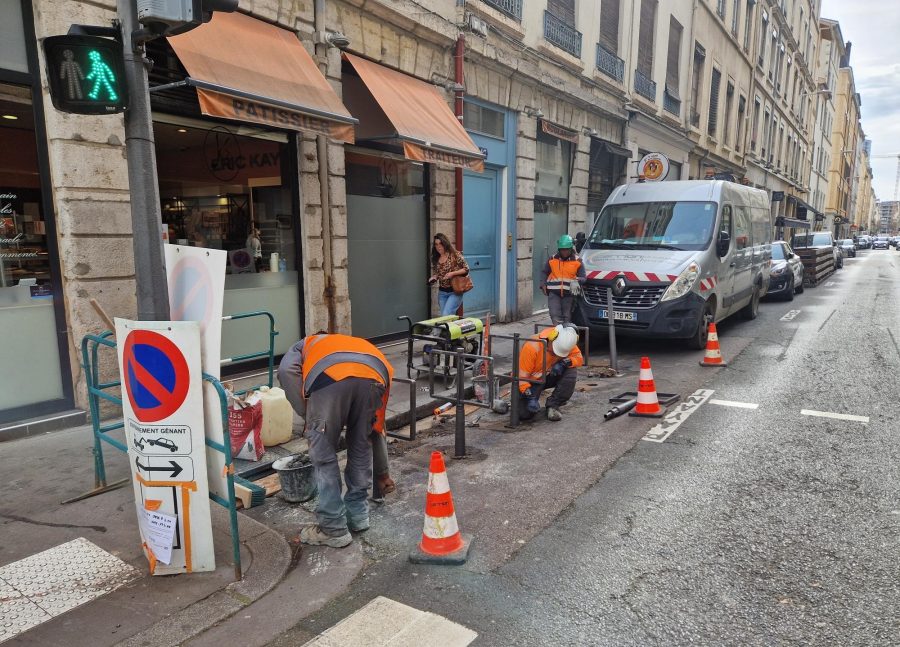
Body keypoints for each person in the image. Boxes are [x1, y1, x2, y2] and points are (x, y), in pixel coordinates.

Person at [277, 333, 394, 548]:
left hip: (328, 379)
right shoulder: (353, 342)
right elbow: (378, 429)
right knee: (362, 444)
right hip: (375, 376)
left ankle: (333, 529)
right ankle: (358, 516)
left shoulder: (305, 344)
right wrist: (382, 472)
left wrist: (308, 414)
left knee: (323, 455)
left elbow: (285, 371)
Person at [518, 325, 583, 422]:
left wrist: (564, 363)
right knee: (524, 414)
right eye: (556, 350)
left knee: (571, 371)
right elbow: (522, 378)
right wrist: (530, 397)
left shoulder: (566, 342)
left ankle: (553, 405)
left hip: (548, 375)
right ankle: (518, 402)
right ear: (552, 338)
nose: (557, 355)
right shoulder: (532, 346)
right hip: (530, 382)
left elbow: (578, 358)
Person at [541, 234, 586, 325]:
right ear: (559, 249)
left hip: (569, 294)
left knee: (567, 317)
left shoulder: (578, 261)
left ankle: (567, 334)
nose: (564, 252)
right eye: (562, 250)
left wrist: (578, 280)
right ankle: (558, 334)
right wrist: (543, 284)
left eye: (566, 249)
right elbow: (544, 272)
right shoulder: (552, 259)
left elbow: (584, 277)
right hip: (554, 293)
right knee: (554, 314)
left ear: (571, 249)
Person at [428, 233, 470, 316]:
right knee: (446, 318)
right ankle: (452, 328)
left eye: (441, 244)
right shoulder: (436, 258)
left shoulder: (455, 255)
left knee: (446, 315)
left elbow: (466, 269)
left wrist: (453, 273)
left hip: (455, 291)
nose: (438, 246)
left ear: (445, 244)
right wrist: (434, 277)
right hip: (442, 292)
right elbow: (438, 273)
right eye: (436, 244)